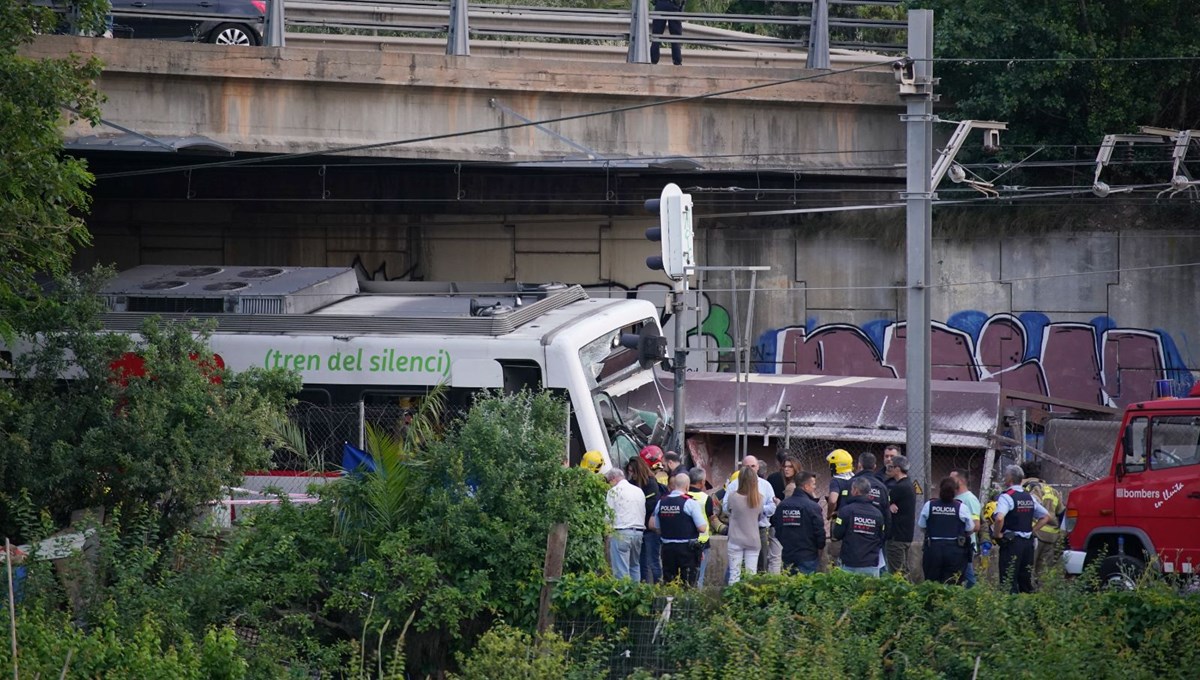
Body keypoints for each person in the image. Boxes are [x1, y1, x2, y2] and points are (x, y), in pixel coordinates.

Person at [993, 464, 1051, 594]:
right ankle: (1027, 609)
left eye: (1005, 476)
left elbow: (999, 518)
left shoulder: (1007, 496)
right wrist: (1032, 530)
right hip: (1028, 544)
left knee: (1008, 579)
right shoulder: (1028, 496)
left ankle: (1010, 608)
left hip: (1012, 543)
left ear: (1010, 479)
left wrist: (997, 534)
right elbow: (1046, 516)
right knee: (1025, 580)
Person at [649, 473, 708, 586]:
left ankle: (670, 603)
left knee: (669, 582)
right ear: (687, 486)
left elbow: (656, 526)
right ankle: (686, 603)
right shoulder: (690, 503)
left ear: (673, 485)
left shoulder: (661, 502)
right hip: (687, 550)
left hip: (667, 549)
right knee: (688, 583)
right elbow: (702, 528)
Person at [918, 477, 975, 584]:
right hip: (955, 551)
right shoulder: (961, 507)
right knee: (953, 583)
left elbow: (922, 526)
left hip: (933, 549)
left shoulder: (929, 505)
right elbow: (970, 529)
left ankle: (933, 600)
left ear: (940, 489)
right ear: (955, 491)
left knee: (931, 582)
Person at [725, 455, 776, 573]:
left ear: (758, 467)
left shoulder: (765, 485)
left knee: (760, 565)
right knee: (734, 568)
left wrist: (757, 510)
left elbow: (772, 506)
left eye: (752, 466)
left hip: (759, 529)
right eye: (747, 466)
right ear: (741, 468)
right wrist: (743, 511)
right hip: (738, 529)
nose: (750, 469)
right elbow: (726, 507)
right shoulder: (733, 485)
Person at [1021, 460, 1064, 584]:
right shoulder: (1052, 490)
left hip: (1036, 535)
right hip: (1051, 537)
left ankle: (1027, 598)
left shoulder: (1032, 488)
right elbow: (1061, 513)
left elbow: (1032, 506)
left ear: (1024, 476)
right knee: (1044, 575)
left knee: (1028, 569)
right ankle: (1043, 599)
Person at [832, 477, 886, 577]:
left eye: (852, 489)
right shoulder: (878, 514)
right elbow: (881, 537)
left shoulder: (845, 511)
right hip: (870, 563)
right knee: (870, 592)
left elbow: (837, 534)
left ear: (856, 491)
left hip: (850, 562)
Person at [775, 470, 826, 575]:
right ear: (806, 487)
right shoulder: (813, 506)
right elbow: (819, 532)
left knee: (788, 588)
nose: (814, 487)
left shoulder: (782, 506)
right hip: (808, 556)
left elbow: (778, 529)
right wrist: (819, 549)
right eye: (813, 484)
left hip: (788, 555)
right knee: (807, 588)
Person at [627, 455, 666, 584]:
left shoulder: (650, 483)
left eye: (632, 471)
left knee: (653, 561)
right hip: (639, 527)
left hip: (650, 528)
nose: (630, 474)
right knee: (641, 561)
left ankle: (658, 585)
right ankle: (643, 585)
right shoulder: (632, 483)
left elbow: (652, 505)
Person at [725, 463, 766, 583]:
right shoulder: (759, 499)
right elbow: (759, 516)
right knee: (751, 575)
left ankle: (732, 600)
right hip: (753, 539)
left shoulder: (733, 497)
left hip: (735, 539)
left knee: (734, 574)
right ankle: (749, 600)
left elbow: (728, 511)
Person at [604, 468, 645, 581]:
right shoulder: (638, 491)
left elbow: (608, 515)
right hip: (638, 532)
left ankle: (623, 596)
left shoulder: (614, 491)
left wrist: (606, 533)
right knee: (635, 566)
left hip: (621, 532)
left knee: (621, 569)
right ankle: (636, 594)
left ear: (613, 479)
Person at [853, 452, 891, 572]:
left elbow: (844, 510)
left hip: (853, 538)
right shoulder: (882, 487)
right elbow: (887, 514)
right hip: (876, 538)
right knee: (878, 571)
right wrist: (885, 536)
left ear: (859, 465)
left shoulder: (852, 483)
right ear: (874, 466)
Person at [764, 454, 798, 574]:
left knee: (783, 557)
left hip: (793, 525)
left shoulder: (796, 485)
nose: (786, 469)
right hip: (778, 524)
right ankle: (774, 584)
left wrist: (779, 504)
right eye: (784, 466)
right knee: (776, 556)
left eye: (790, 467)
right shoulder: (775, 479)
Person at [949, 469, 983, 587]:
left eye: (952, 479)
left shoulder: (969, 499)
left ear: (961, 480)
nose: (949, 482)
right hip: (955, 545)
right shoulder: (955, 498)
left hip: (965, 546)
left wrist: (959, 532)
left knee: (969, 578)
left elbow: (976, 525)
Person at [885, 455, 917, 578]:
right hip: (905, 535)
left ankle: (901, 595)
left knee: (897, 573)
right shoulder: (908, 485)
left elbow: (882, 504)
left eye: (891, 467)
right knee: (903, 570)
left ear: (897, 469)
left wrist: (888, 505)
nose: (889, 469)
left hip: (896, 537)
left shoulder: (899, 487)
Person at [825, 448, 855, 566]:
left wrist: (829, 513)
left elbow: (832, 500)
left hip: (838, 519)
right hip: (852, 520)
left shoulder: (836, 481)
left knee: (836, 554)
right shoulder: (855, 479)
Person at [686, 467, 715, 585]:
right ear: (702, 482)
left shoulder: (683, 495)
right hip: (702, 541)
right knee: (699, 575)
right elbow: (710, 517)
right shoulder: (706, 498)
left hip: (685, 539)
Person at [649, 0, 684, 66]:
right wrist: (681, 6)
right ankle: (677, 62)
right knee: (675, 36)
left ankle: (653, 61)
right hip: (673, 5)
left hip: (661, 4)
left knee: (656, 35)